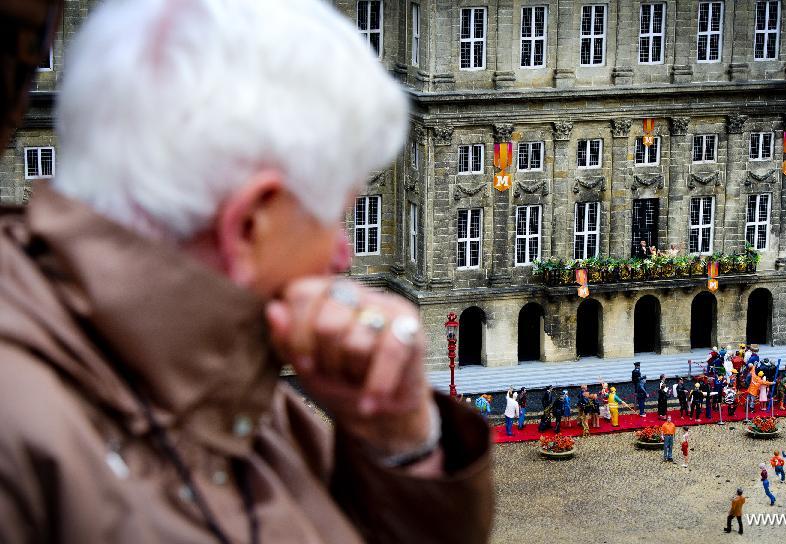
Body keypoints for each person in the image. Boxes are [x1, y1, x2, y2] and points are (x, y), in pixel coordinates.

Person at [0, 1, 496, 542]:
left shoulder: (239, 393)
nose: (343, 255)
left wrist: (403, 443)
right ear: (249, 226)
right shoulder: (22, 445)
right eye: (336, 217)